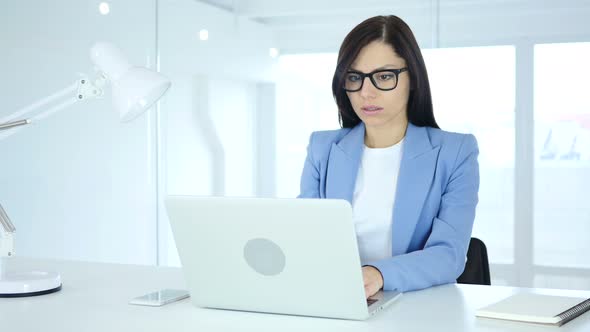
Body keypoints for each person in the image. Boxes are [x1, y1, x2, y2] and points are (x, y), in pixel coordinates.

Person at [297, 15, 480, 297]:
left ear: (413, 78)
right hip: (335, 301)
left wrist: (379, 274)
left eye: (384, 76)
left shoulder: (455, 153)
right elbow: (302, 236)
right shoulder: (323, 148)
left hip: (417, 308)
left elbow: (449, 256)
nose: (366, 92)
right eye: (355, 77)